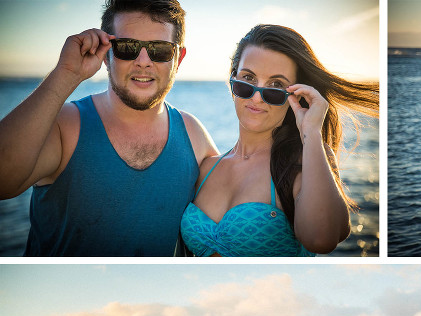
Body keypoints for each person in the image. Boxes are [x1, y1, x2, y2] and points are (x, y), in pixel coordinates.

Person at [0, 0, 217, 257]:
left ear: (178, 58)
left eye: (160, 50)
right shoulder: (66, 125)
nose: (143, 61)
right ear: (107, 54)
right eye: (128, 48)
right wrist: (66, 74)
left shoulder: (193, 134)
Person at [179, 24, 379, 257]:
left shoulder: (303, 163)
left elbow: (321, 239)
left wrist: (311, 133)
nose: (256, 96)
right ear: (232, 81)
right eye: (248, 79)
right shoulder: (206, 168)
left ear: (296, 95)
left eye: (276, 86)